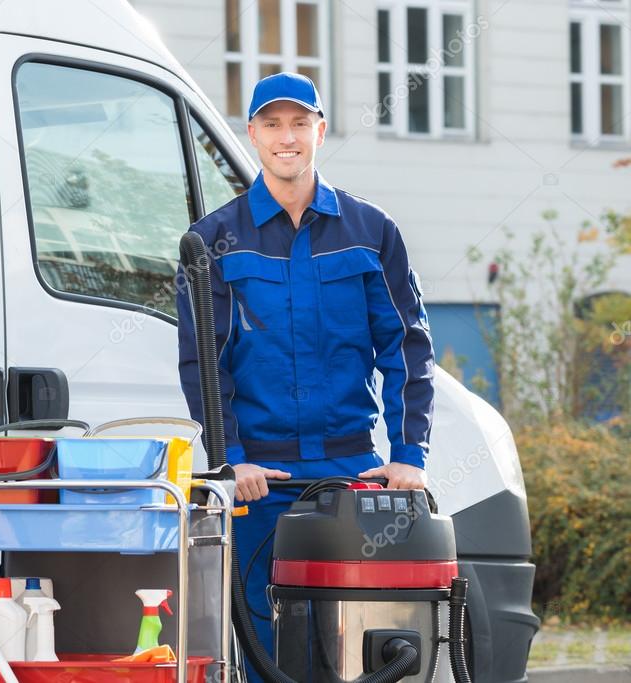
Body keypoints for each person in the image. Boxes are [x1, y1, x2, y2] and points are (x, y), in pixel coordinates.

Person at [177, 72, 435, 679]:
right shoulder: (213, 240)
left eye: (299, 124)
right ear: (253, 135)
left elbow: (407, 348)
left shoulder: (372, 233)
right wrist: (229, 458)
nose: (286, 138)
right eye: (272, 125)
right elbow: (203, 364)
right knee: (263, 648)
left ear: (320, 130)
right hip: (258, 481)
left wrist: (408, 455)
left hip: (353, 475)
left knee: (359, 644)